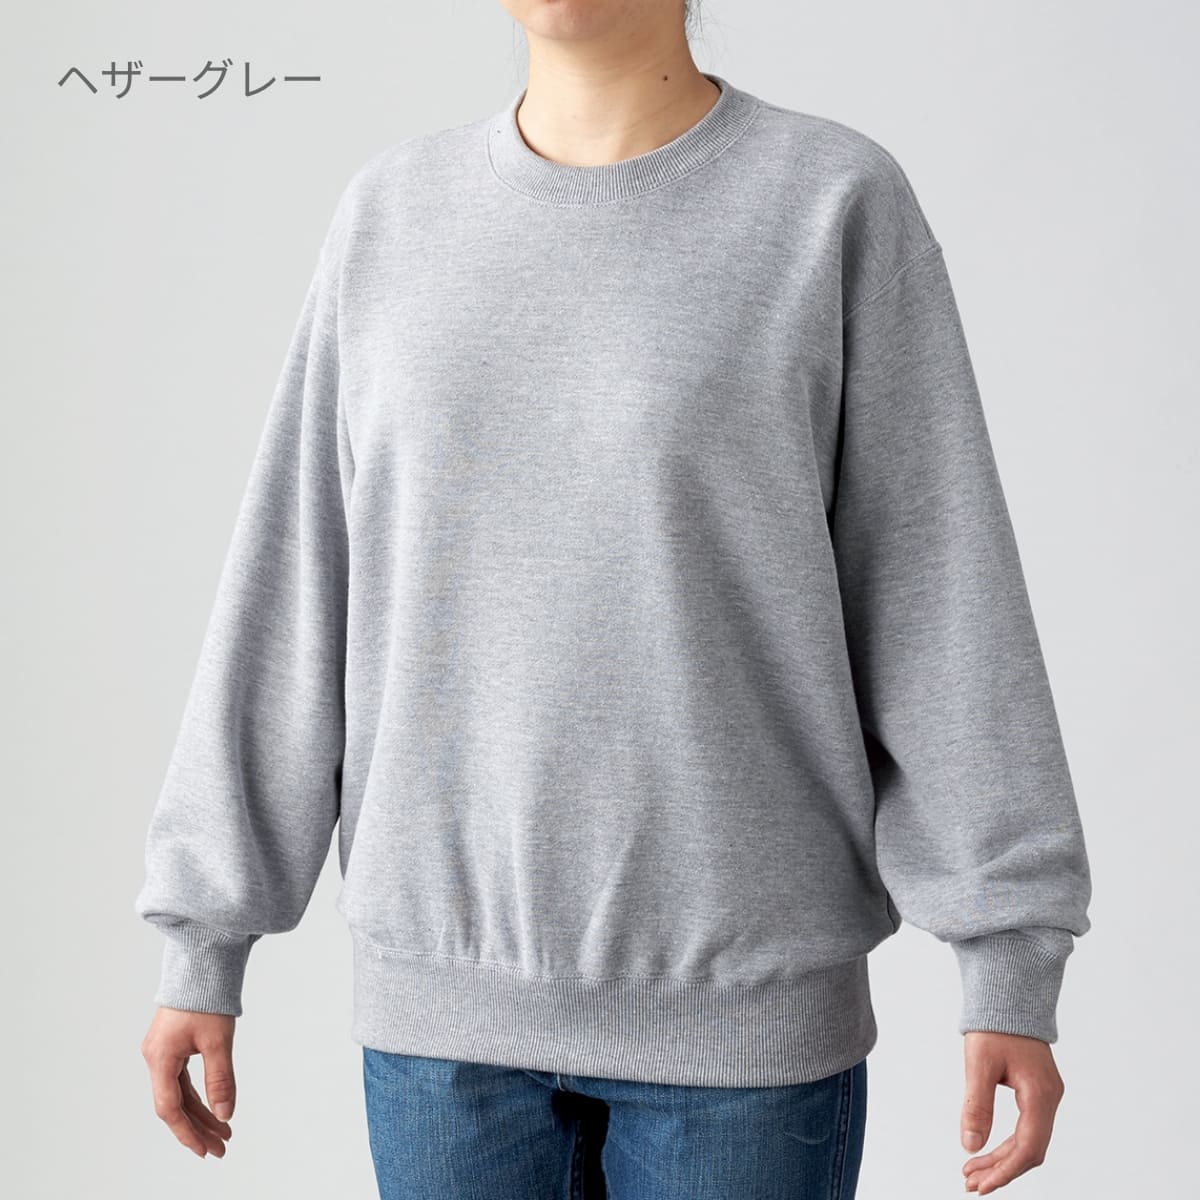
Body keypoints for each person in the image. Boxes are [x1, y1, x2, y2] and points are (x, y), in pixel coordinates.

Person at [134, 2, 1093, 1196]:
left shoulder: (830, 201)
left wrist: (1008, 958)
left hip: (745, 1027)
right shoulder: (393, 213)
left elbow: (940, 590)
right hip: (444, 1037)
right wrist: (203, 936)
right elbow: (294, 577)